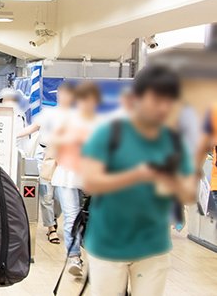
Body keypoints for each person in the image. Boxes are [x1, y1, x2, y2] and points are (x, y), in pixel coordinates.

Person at [81, 65, 196, 296]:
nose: (163, 107)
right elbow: (90, 183)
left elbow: (189, 194)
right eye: (156, 99)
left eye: (169, 100)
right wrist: (137, 175)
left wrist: (172, 182)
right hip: (108, 243)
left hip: (153, 245)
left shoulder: (174, 142)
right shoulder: (108, 134)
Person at [51, 81, 102, 277]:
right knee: (71, 217)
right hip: (67, 177)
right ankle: (74, 258)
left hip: (92, 179)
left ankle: (96, 257)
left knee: (93, 220)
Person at [17, 81, 76, 245]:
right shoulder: (48, 113)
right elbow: (31, 129)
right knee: (46, 193)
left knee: (58, 196)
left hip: (65, 158)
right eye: (60, 93)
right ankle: (51, 228)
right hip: (44, 156)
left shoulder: (75, 116)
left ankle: (54, 218)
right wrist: (10, 134)